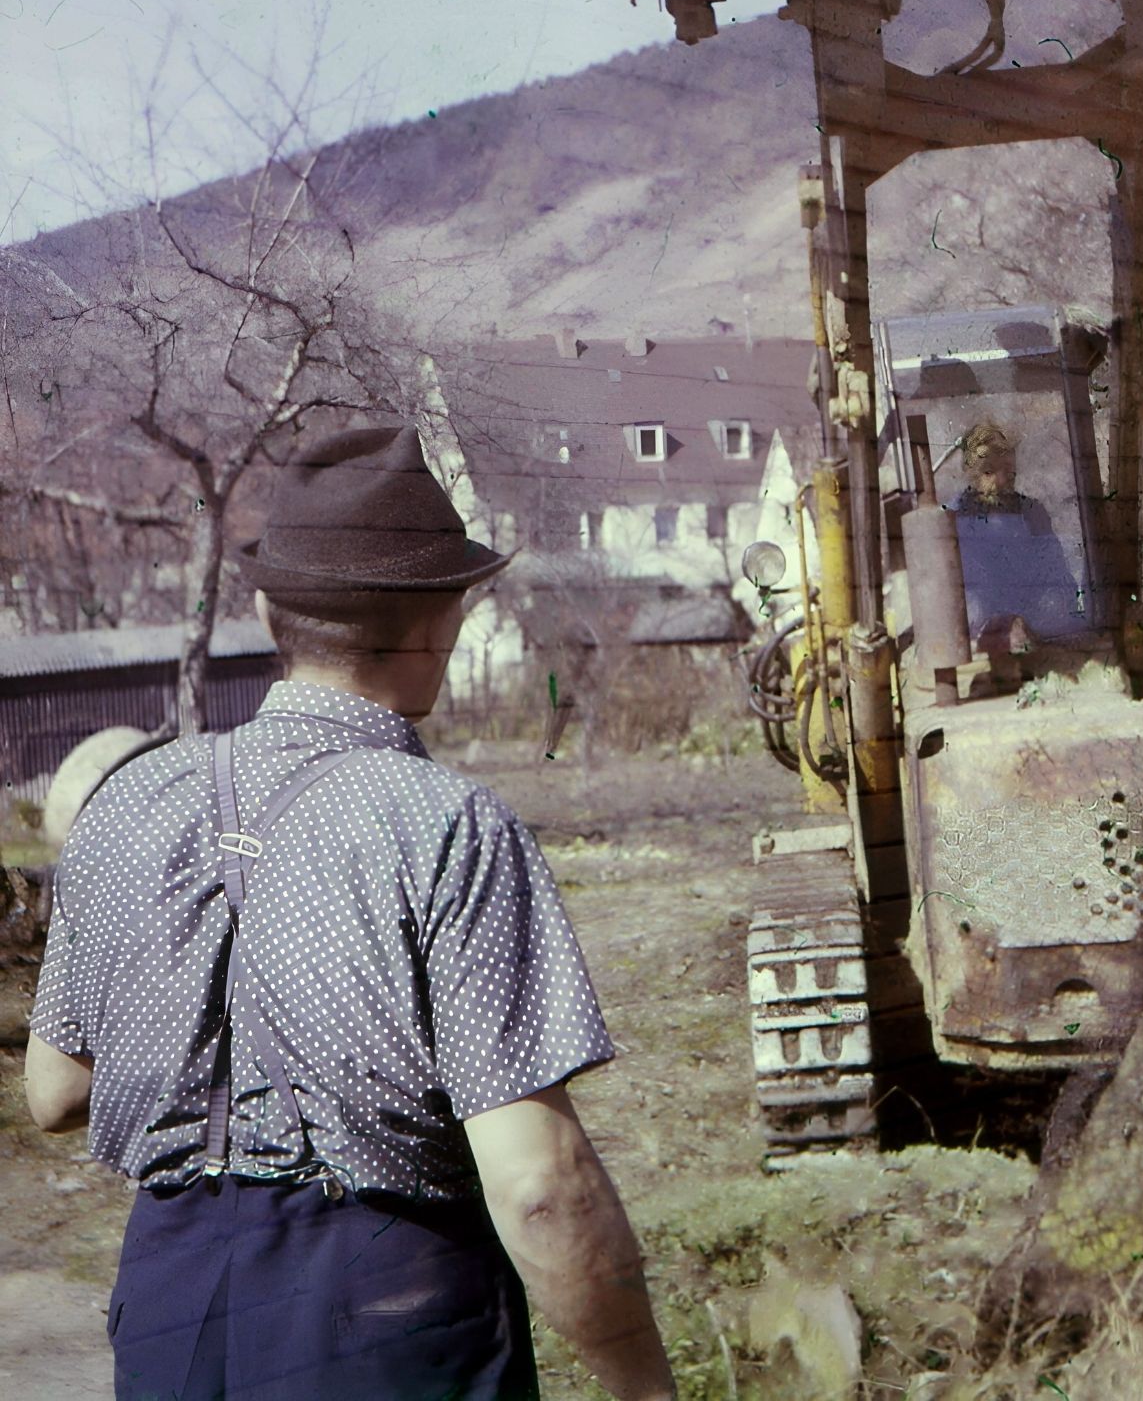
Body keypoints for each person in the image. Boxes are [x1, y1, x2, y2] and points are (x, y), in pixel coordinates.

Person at [24, 422, 675, 1401]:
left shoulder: (128, 801)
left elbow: (54, 1091)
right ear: (436, 621)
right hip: (389, 1314)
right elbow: (537, 1183)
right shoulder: (448, 824)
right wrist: (643, 1383)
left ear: (265, 607)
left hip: (170, 1310)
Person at [946, 420, 1083, 643]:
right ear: (970, 473)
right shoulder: (950, 520)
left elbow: (1059, 583)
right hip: (976, 646)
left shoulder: (1033, 514)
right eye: (989, 471)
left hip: (1035, 635)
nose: (1001, 482)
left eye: (1009, 472)